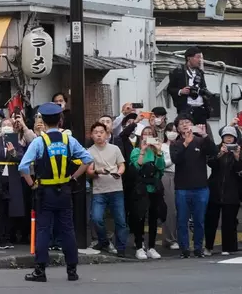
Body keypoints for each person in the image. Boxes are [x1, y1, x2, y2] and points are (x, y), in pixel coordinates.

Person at [19, 103, 93, 283]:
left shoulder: (39, 141)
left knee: (44, 230)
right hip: (65, 191)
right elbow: (88, 159)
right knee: (67, 229)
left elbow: (23, 166)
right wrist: (73, 177)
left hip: (45, 192)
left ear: (42, 121)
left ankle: (40, 271)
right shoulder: (69, 140)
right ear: (61, 120)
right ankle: (72, 270)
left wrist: (32, 184)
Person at [170, 114, 217, 258]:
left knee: (199, 220)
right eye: (181, 123)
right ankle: (185, 249)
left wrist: (205, 135)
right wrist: (185, 143)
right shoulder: (175, 143)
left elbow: (213, 152)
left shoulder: (201, 141)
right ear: (177, 128)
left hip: (201, 187)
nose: (185, 125)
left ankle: (198, 248)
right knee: (182, 220)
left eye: (188, 122)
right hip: (182, 188)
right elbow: (175, 159)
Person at [0, 117, 27, 249]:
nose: (7, 127)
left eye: (10, 124)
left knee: (11, 210)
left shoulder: (17, 141)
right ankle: (0, 238)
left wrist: (13, 152)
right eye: (5, 125)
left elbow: (22, 157)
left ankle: (8, 237)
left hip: (13, 179)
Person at [87, 122, 127, 258]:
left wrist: (119, 173)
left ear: (107, 134)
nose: (99, 134)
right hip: (99, 190)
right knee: (96, 218)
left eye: (101, 132)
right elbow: (89, 171)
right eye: (96, 132)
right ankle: (104, 241)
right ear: (91, 135)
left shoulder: (115, 148)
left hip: (116, 188)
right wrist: (97, 171)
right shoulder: (89, 151)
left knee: (120, 219)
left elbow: (121, 165)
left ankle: (121, 248)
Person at [129, 126, 166, 260]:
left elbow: (161, 168)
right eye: (145, 134)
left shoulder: (157, 152)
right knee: (139, 217)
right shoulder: (136, 150)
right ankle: (139, 246)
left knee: (153, 218)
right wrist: (143, 151)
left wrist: (159, 152)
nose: (147, 136)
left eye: (151, 134)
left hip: (154, 187)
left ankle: (151, 247)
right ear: (141, 136)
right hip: (141, 188)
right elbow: (136, 166)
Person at [204, 126, 242, 256]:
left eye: (231, 136)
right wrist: (220, 154)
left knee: (229, 221)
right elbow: (210, 163)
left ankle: (228, 248)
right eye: (226, 136)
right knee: (211, 220)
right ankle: (208, 246)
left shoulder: (239, 150)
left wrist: (237, 157)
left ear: (235, 138)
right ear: (222, 137)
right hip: (215, 189)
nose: (228, 138)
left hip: (232, 191)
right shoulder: (216, 148)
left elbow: (239, 170)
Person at [167, 47, 211, 125]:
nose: (200, 60)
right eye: (197, 57)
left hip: (200, 109)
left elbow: (204, 88)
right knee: (187, 131)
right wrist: (181, 91)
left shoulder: (200, 73)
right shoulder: (178, 72)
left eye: (200, 58)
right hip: (186, 109)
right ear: (189, 58)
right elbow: (170, 89)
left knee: (201, 133)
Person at [160, 123, 180, 250]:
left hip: (181, 176)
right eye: (170, 130)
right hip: (167, 175)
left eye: (175, 131)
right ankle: (170, 239)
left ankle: (179, 238)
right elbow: (161, 163)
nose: (173, 133)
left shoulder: (180, 145)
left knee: (181, 209)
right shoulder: (161, 146)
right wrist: (173, 159)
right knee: (170, 209)